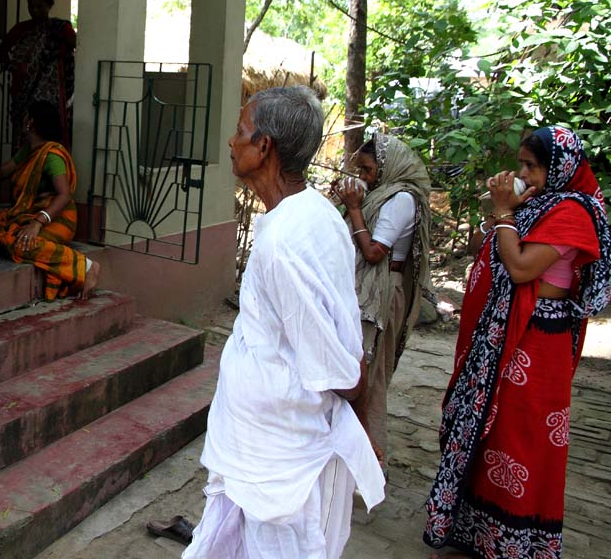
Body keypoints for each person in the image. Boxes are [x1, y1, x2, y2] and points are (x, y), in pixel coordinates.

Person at [183, 86, 384, 559]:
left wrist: (358, 398)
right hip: (263, 441)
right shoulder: (314, 212)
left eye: (240, 133)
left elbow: (339, 370)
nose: (232, 142)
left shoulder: (284, 243)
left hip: (278, 455)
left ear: (265, 147)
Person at [425, 126, 610, 559]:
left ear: (559, 168)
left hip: (538, 342)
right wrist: (500, 214)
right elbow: (489, 247)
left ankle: (512, 544)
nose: (523, 172)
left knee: (520, 439)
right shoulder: (539, 205)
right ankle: (474, 533)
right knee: (491, 433)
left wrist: (506, 213)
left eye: (531, 165)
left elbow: (523, 267)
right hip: (504, 334)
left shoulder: (574, 213)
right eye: (522, 163)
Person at [334, 134, 432, 469]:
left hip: (382, 293)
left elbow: (375, 252)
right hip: (369, 290)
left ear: (388, 167)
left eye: (369, 169)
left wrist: (355, 209)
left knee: (368, 378)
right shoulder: (382, 195)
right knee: (353, 373)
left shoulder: (402, 198)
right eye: (360, 169)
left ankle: (368, 463)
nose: (363, 176)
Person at [0, 101, 99, 300]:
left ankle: (86, 267)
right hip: (31, 214)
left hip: (57, 217)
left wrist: (37, 223)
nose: (22, 121)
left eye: (25, 117)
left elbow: (64, 195)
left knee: (22, 245)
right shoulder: (30, 149)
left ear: (30, 122)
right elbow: (3, 171)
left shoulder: (51, 155)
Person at [0, 0, 76, 146]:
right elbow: (3, 51)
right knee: (24, 139)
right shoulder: (20, 30)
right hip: (22, 99)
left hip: (49, 101)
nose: (34, 10)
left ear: (49, 4)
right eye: (31, 6)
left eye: (39, 6)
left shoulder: (60, 30)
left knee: (44, 138)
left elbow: (74, 49)